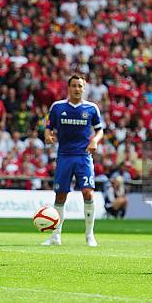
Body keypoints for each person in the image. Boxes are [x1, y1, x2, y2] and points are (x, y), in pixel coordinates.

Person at [42, 74, 104, 247]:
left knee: (88, 192)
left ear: (84, 88)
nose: (77, 88)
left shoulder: (92, 108)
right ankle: (55, 236)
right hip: (64, 156)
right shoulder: (57, 107)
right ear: (68, 88)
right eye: (74, 85)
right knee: (60, 195)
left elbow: (100, 130)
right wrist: (48, 136)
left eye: (80, 86)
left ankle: (89, 235)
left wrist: (94, 140)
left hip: (83, 156)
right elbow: (48, 127)